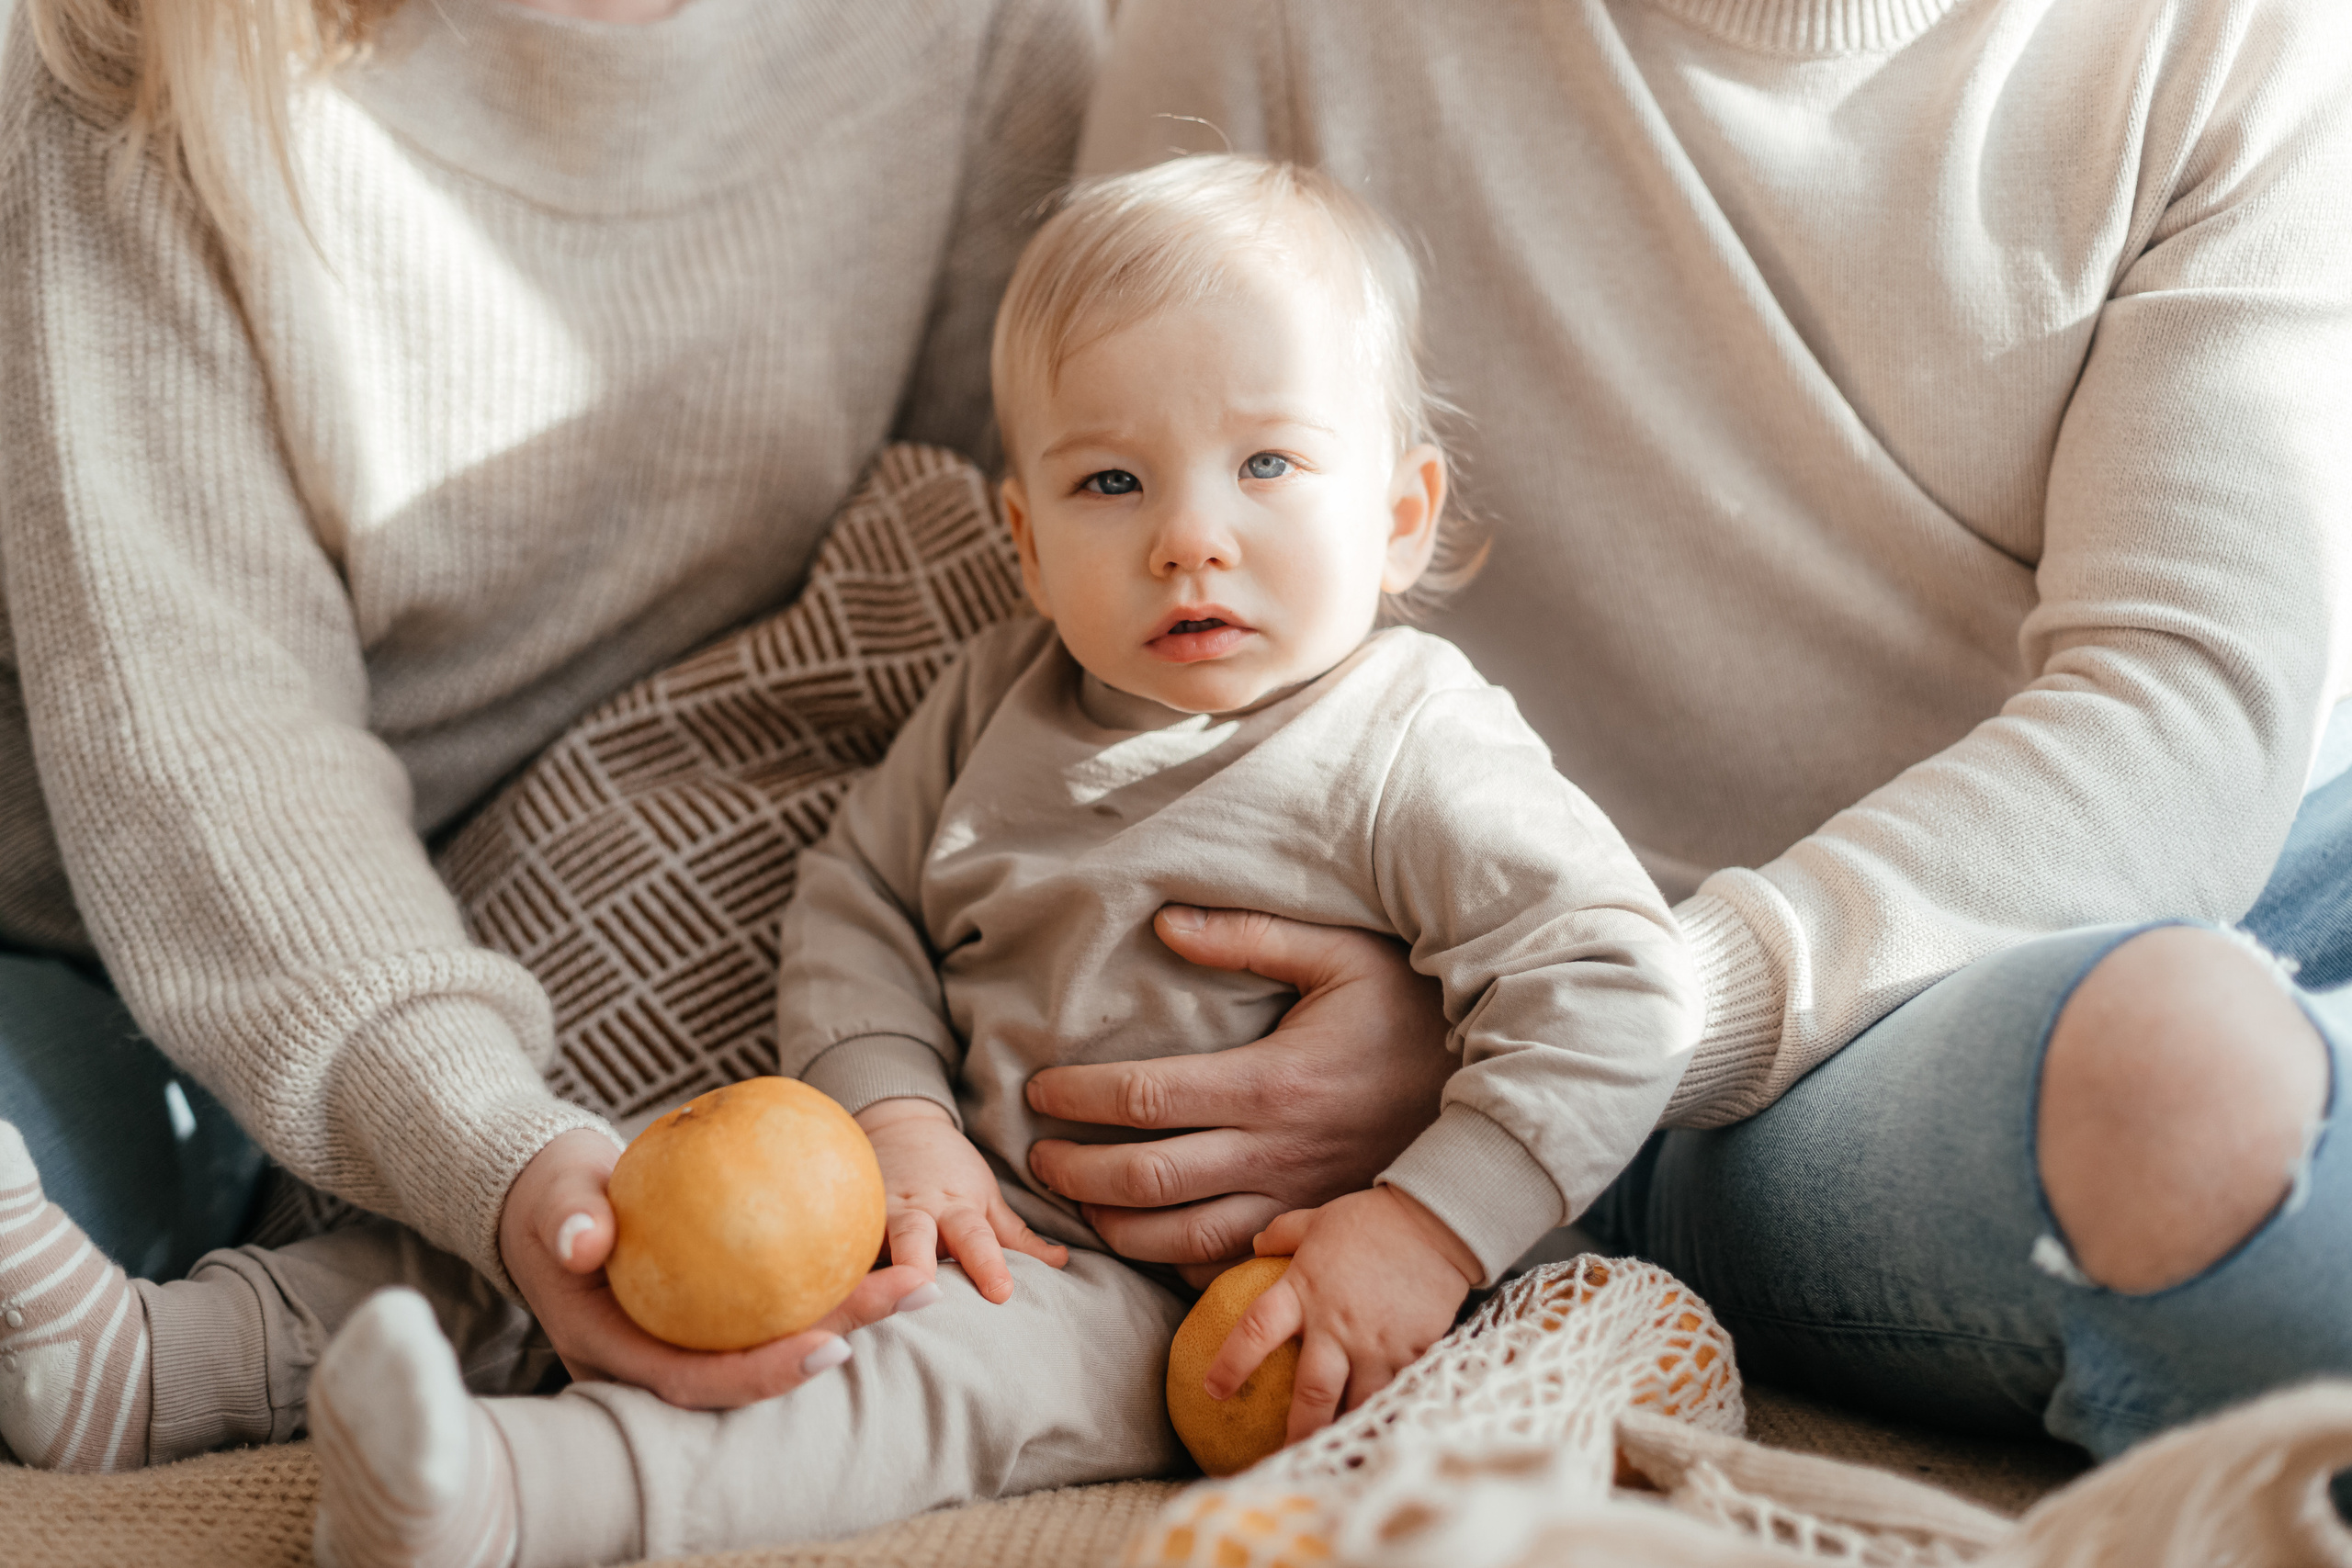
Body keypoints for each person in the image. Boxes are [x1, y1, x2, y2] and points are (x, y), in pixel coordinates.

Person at [0, 152, 1702, 1564]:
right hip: (937, 1188)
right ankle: (162, 1368)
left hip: (1164, 1289)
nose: (1195, 530)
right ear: (1023, 538)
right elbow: (858, 905)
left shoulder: (1409, 739)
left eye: (1268, 464)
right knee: (602, 1218)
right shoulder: (1000, 697)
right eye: (1113, 481)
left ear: (1400, 513)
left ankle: (522, 1498)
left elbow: (1619, 978)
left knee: (902, 1392)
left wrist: (1421, 1229)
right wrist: (895, 1121)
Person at [1034, 0, 2352, 1482]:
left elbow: (2191, 709)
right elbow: (1094, 570)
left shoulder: (2242, 33)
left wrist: (1597, 1027)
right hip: (1756, 1036)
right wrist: (1542, 1042)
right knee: (2192, 1086)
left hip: (2231, 840)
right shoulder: (1279, 28)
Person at [0, 0, 1102, 1449]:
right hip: (137, 965)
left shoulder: (981, 39)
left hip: (641, 893)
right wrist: (501, 1160)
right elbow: (207, 758)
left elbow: (1033, 579)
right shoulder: (138, 60)